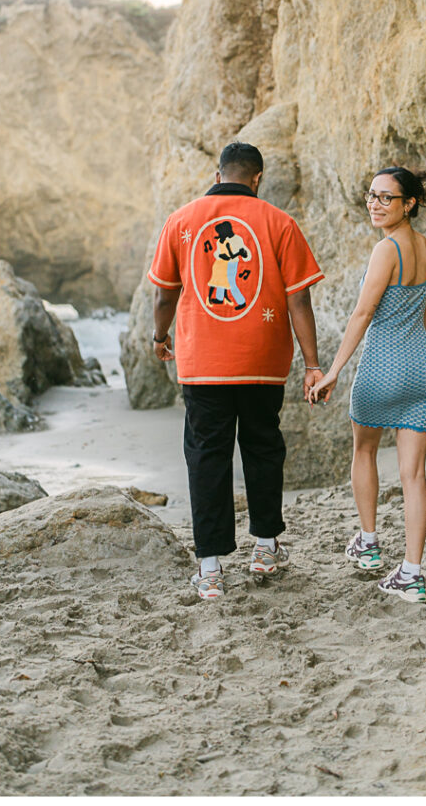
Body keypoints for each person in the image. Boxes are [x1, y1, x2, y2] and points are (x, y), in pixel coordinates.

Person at [149, 142, 324, 599]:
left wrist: (159, 337)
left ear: (218, 171)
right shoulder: (279, 223)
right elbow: (299, 299)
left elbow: (164, 295)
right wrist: (311, 363)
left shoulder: (181, 220)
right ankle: (265, 547)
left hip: (203, 364)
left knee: (208, 455)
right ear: (257, 178)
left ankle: (209, 569)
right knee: (263, 447)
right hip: (263, 362)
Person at [308, 166, 426, 603]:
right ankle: (411, 573)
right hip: (422, 368)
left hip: (382, 368)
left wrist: (332, 371)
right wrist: (422, 363)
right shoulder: (423, 248)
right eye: (372, 196)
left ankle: (368, 546)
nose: (376, 204)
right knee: (414, 475)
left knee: (364, 450)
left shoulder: (386, 250)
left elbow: (362, 315)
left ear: (409, 204)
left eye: (387, 198)